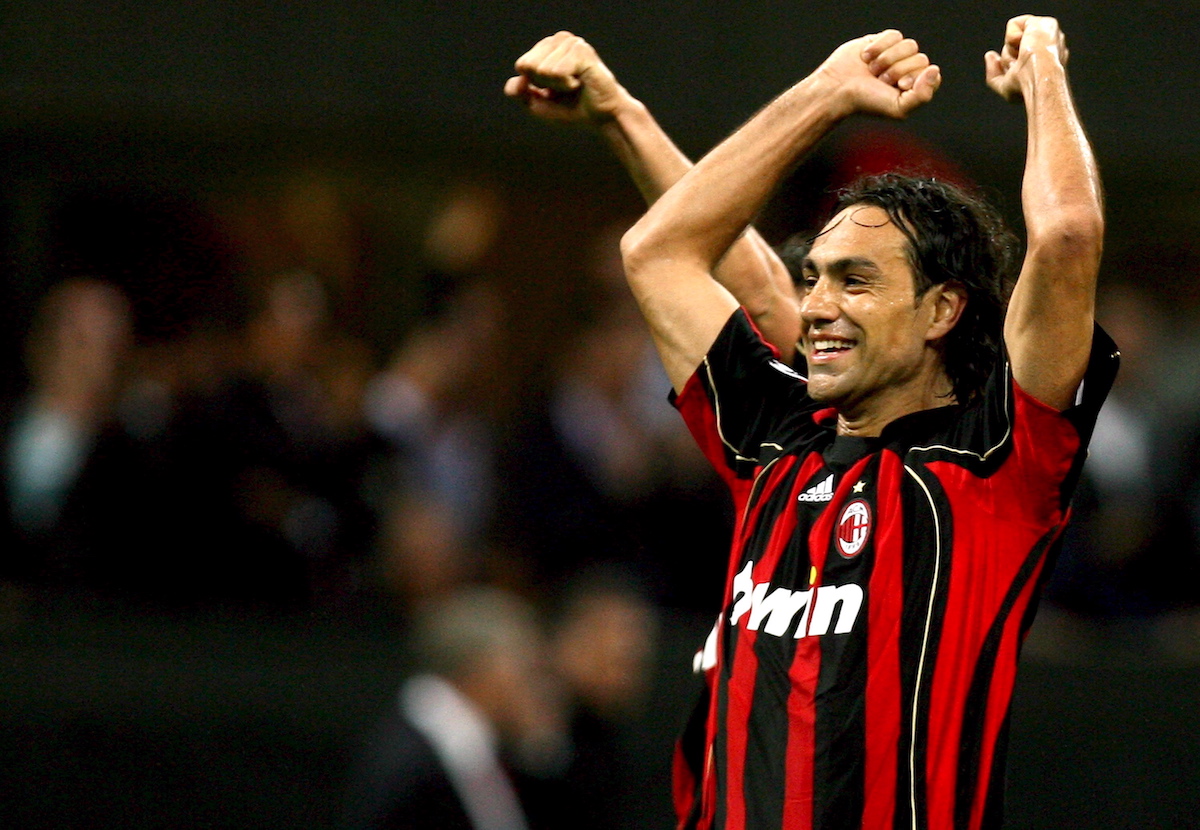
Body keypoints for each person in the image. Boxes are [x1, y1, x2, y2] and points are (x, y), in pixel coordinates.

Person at [509, 15, 1116, 830]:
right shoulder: (774, 442)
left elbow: (1069, 235)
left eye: (855, 281)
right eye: (814, 279)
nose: (819, 305)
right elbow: (669, 252)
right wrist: (631, 114)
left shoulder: (993, 464)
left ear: (941, 310)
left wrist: (1041, 65)